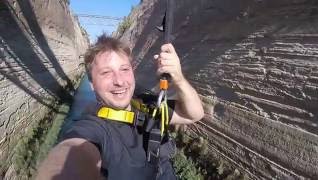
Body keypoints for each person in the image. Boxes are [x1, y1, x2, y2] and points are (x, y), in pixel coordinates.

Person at [36, 34, 204, 180]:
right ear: (92, 83)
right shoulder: (92, 128)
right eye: (106, 72)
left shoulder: (148, 105)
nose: (119, 81)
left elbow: (194, 114)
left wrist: (178, 78)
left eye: (124, 69)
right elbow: (71, 155)